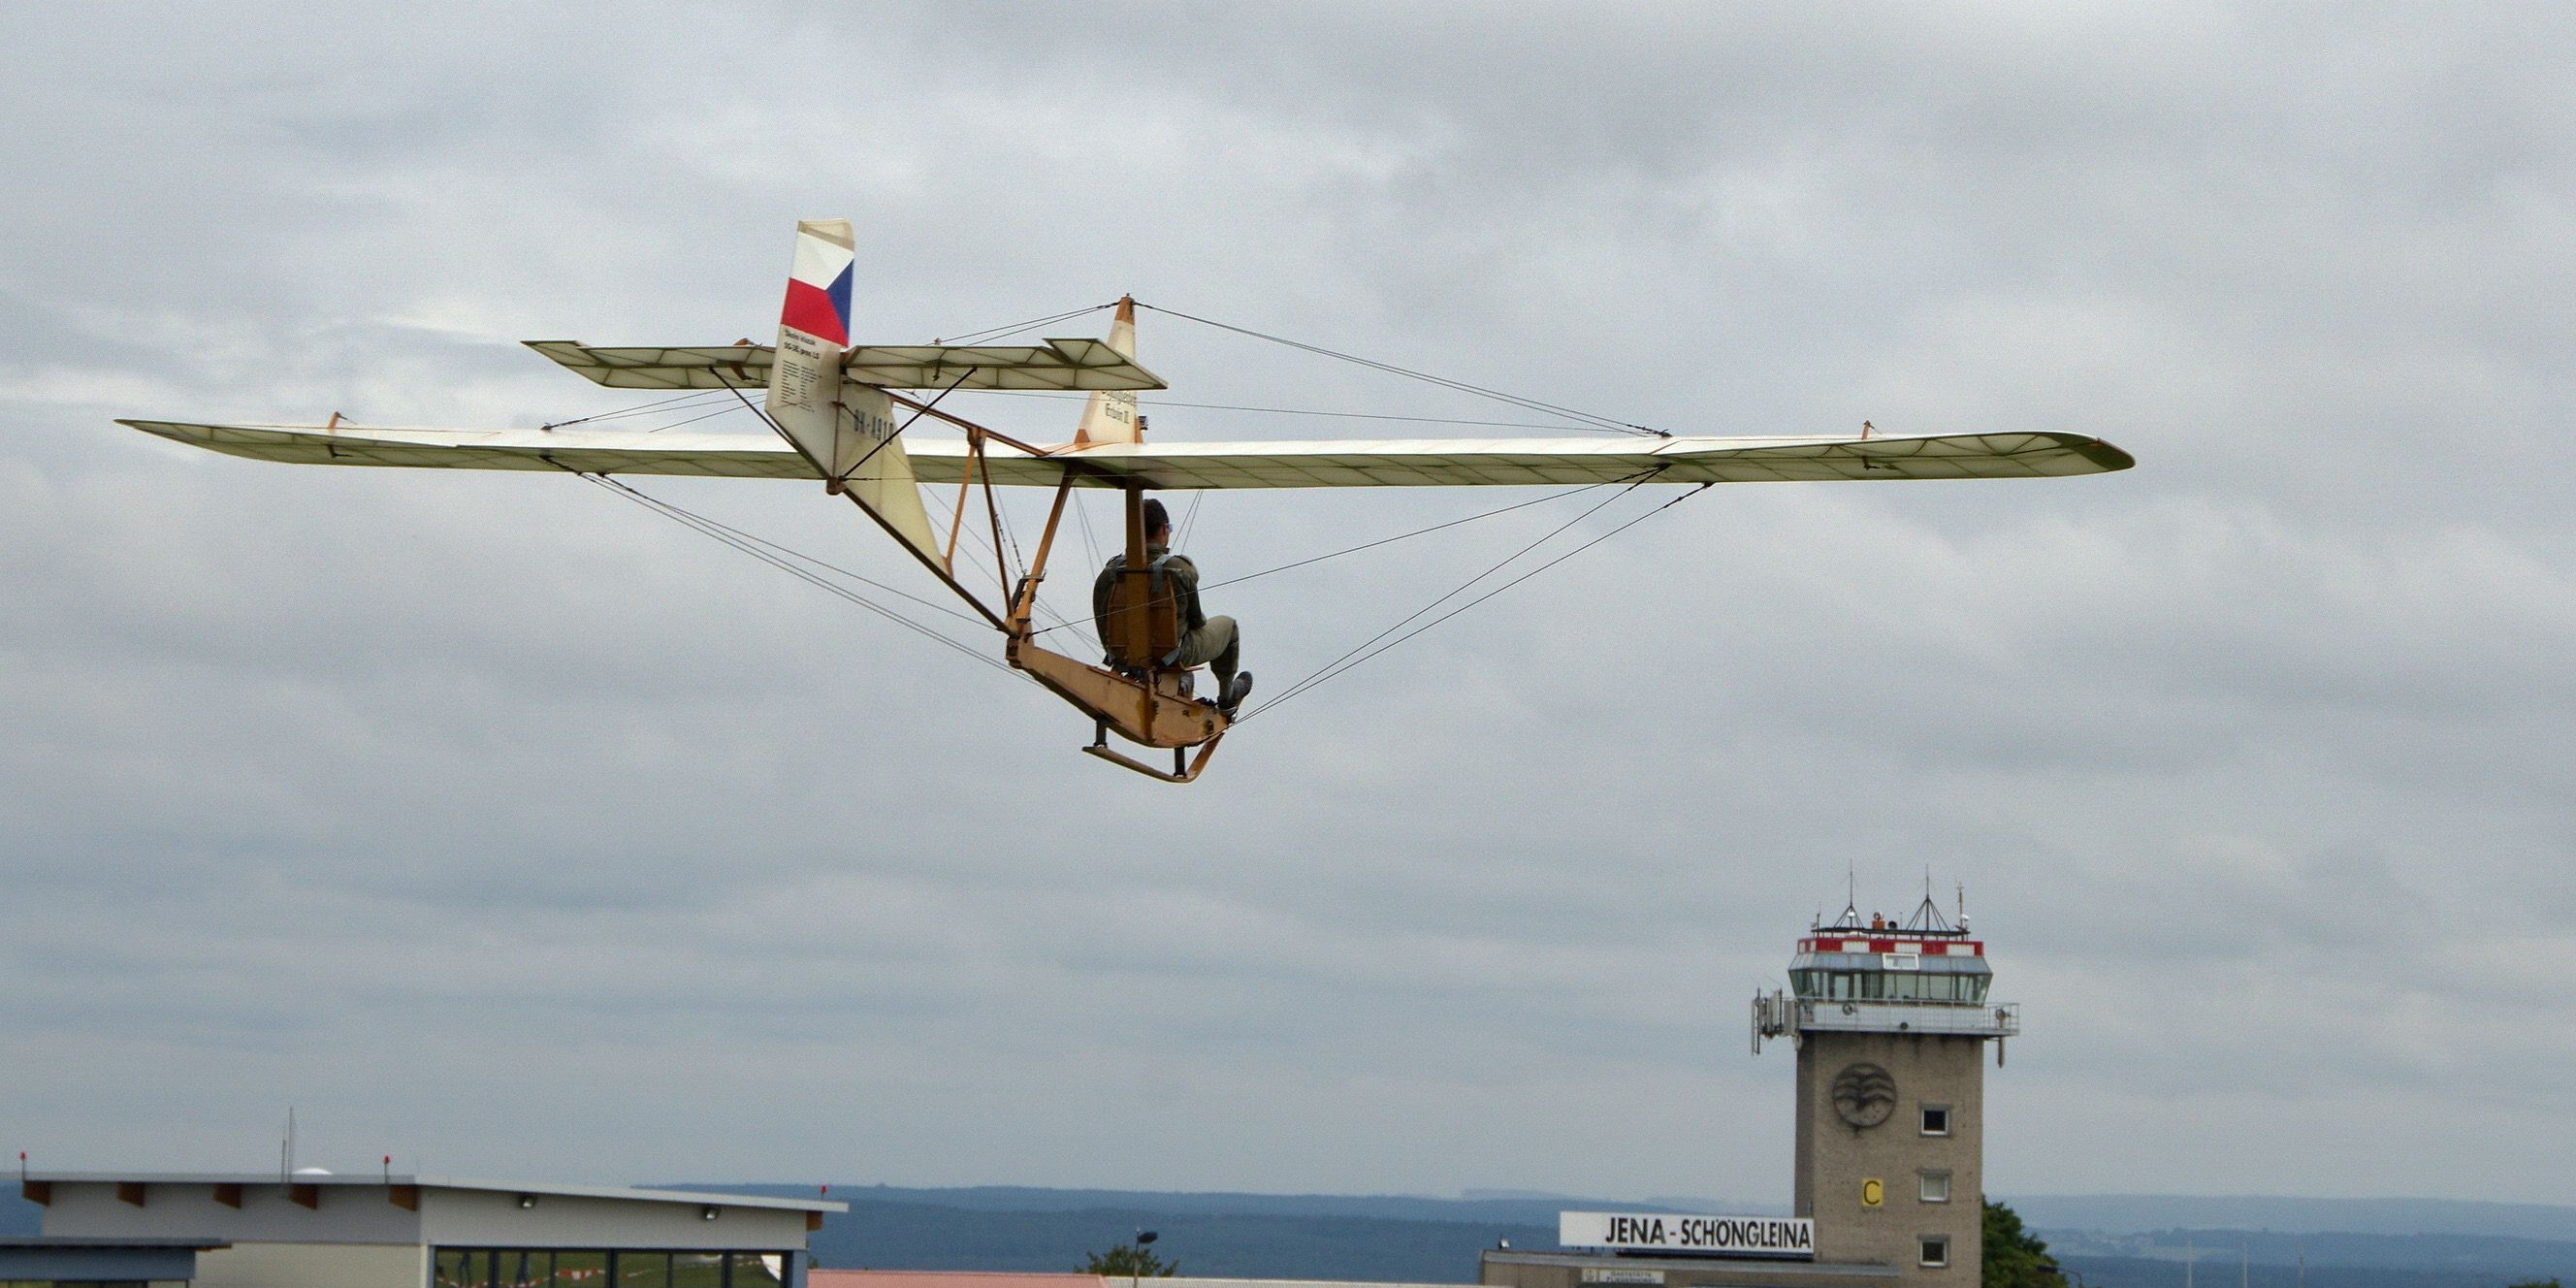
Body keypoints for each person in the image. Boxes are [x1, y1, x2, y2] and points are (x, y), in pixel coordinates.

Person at [1093, 498, 1252, 714]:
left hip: (1123, 656)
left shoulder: (1110, 572)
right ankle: (1226, 699)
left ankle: (1169, 680)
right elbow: (1197, 621)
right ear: (1163, 530)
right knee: (1229, 626)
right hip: (1171, 654)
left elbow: (1102, 619)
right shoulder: (1179, 568)